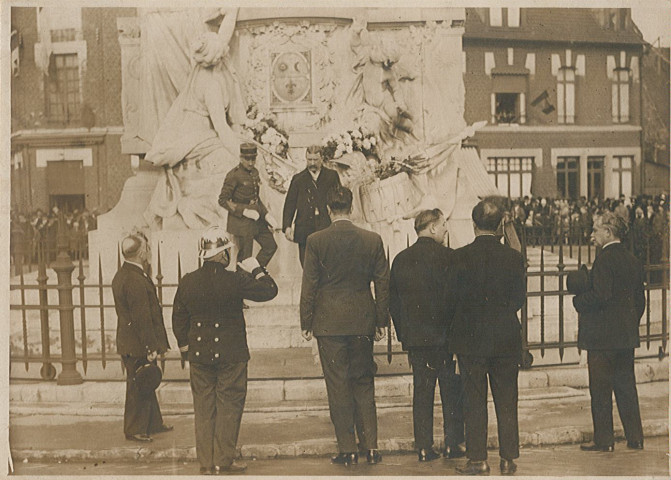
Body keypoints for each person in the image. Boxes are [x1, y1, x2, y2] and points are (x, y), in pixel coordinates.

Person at [172, 227, 278, 475]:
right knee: (229, 406)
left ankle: (206, 463)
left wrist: (186, 348)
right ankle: (223, 461)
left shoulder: (188, 280)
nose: (229, 255)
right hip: (231, 354)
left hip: (199, 354)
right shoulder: (235, 279)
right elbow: (270, 290)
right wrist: (256, 268)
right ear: (221, 255)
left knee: (204, 407)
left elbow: (178, 317)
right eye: (227, 251)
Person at [300, 186, 389, 467]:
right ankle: (372, 446)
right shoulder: (372, 240)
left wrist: (306, 321)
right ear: (352, 208)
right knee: (364, 382)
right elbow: (383, 284)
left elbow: (309, 285)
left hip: (329, 323)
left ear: (329, 209)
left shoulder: (316, 241)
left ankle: (348, 448)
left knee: (337, 384)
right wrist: (381, 319)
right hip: (362, 319)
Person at [445, 199, 526, 476]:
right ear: (500, 225)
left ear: (474, 224)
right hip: (505, 338)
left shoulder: (458, 257)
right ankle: (508, 458)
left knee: (474, 400)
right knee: (507, 399)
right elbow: (518, 299)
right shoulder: (514, 258)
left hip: (471, 339)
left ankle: (478, 459)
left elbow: (451, 301)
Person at [144, 9, 246, 229]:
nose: (227, 53)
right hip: (197, 140)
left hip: (195, 135)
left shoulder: (200, 69)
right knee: (232, 169)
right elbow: (221, 129)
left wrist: (232, 12)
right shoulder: (212, 85)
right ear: (219, 58)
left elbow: (223, 37)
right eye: (223, 53)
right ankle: (194, 207)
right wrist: (243, 154)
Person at [389, 209, 465, 462]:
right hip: (445, 338)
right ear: (432, 227)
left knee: (422, 391)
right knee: (451, 391)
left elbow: (394, 303)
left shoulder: (401, 259)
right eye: (443, 225)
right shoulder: (451, 258)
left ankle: (424, 447)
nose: (445, 229)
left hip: (417, 339)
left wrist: (405, 335)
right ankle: (453, 444)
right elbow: (458, 300)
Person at [572, 212, 645, 453]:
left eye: (595, 230)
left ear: (608, 232)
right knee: (626, 386)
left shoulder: (604, 260)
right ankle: (635, 437)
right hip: (625, 337)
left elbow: (601, 295)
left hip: (602, 339)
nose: (592, 235)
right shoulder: (633, 260)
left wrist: (578, 301)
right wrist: (629, 324)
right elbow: (639, 301)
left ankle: (604, 440)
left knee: (601, 389)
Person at [112, 232, 172, 443]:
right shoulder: (135, 279)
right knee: (138, 384)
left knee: (145, 380)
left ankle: (153, 423)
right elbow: (142, 317)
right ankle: (134, 428)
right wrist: (150, 346)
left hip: (130, 340)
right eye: (146, 248)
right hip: (138, 342)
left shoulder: (125, 274)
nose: (148, 251)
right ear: (139, 253)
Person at [218, 143, 278, 267]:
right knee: (245, 257)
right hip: (242, 223)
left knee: (270, 246)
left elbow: (256, 198)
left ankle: (255, 272)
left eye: (253, 159)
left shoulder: (255, 172)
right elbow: (223, 200)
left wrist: (266, 215)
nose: (250, 163)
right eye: (247, 159)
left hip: (257, 219)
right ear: (241, 158)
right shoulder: (233, 175)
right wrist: (243, 211)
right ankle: (244, 283)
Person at [282, 145, 341, 266]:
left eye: (315, 160)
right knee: (306, 264)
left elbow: (338, 199)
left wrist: (339, 221)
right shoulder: (298, 179)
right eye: (309, 160)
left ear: (322, 159)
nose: (312, 163)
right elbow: (290, 204)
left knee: (327, 261)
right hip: (304, 227)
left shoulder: (331, 176)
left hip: (325, 225)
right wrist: (287, 226)